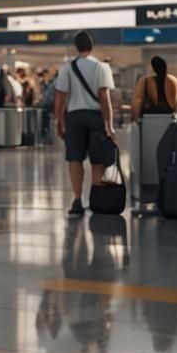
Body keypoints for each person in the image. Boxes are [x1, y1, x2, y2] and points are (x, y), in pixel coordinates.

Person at [54, 31, 116, 218]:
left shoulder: (66, 68)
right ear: (92, 46)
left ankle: (77, 200)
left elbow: (60, 97)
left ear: (76, 47)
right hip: (95, 117)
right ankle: (96, 200)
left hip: (74, 117)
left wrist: (59, 121)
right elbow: (105, 98)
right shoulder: (101, 67)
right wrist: (109, 125)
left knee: (75, 158)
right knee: (97, 160)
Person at [131, 56, 177, 122]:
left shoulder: (145, 81)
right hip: (169, 120)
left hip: (149, 121)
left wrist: (136, 120)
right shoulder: (174, 81)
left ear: (153, 68)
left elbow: (137, 102)